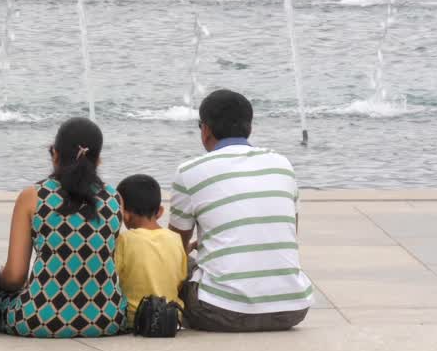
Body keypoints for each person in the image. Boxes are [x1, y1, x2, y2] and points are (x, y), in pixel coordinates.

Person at [169, 90, 312, 333]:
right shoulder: (282, 164)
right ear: (250, 127)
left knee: (175, 262)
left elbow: (172, 248)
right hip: (291, 309)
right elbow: (289, 231)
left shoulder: (189, 171)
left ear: (205, 129)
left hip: (220, 312)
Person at [0, 117, 126, 338]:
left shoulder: (33, 197)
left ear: (55, 154)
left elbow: (15, 277)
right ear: (98, 160)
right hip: (107, 319)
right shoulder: (114, 198)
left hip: (38, 319)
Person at [113, 174, 186, 326]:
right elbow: (180, 280)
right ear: (160, 211)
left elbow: (112, 277)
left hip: (136, 319)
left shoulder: (124, 240)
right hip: (172, 318)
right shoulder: (175, 238)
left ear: (124, 215)